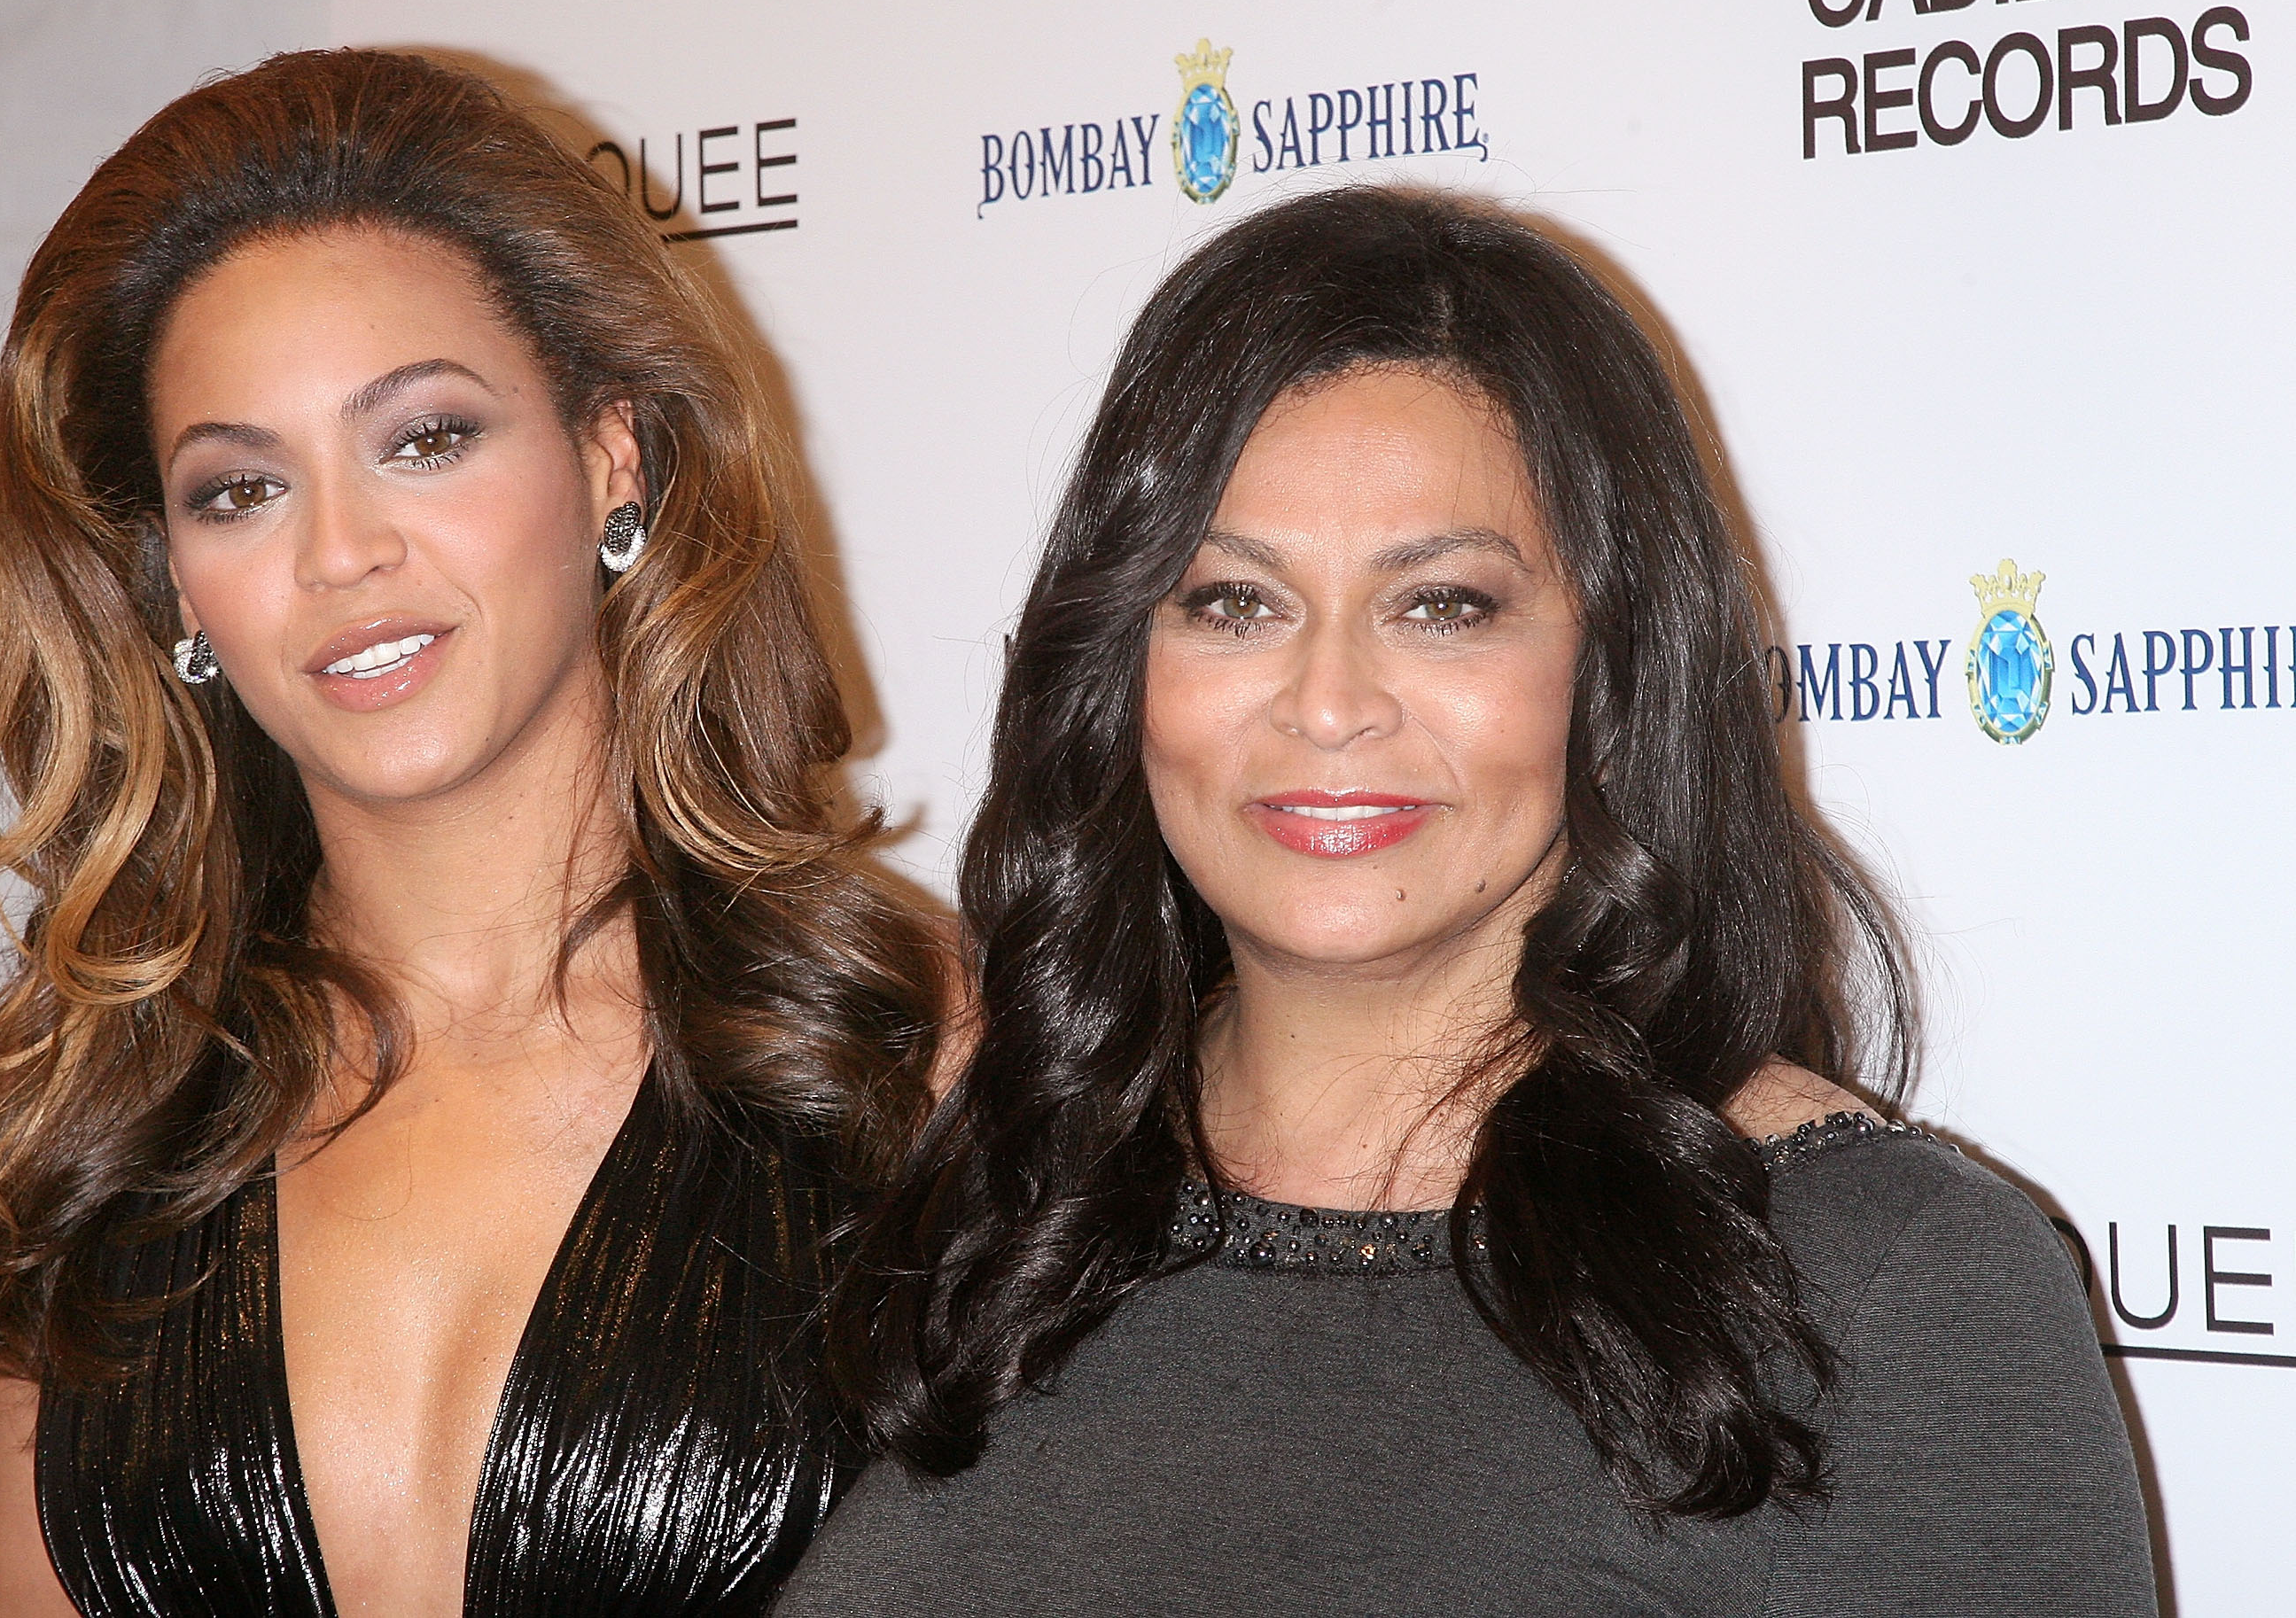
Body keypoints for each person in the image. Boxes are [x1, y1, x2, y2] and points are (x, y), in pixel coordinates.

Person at [785, 186, 2157, 1616]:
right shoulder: (987, 1196)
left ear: (1614, 665)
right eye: (1231, 602)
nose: (1325, 704)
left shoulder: (1895, 1287)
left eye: (1442, 604)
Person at [0, 49, 946, 1616]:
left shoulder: (913, 1050)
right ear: (174, 583)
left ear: (613, 455)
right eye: (241, 488)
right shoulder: (101, 1100)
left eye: (426, 439)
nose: (342, 552)